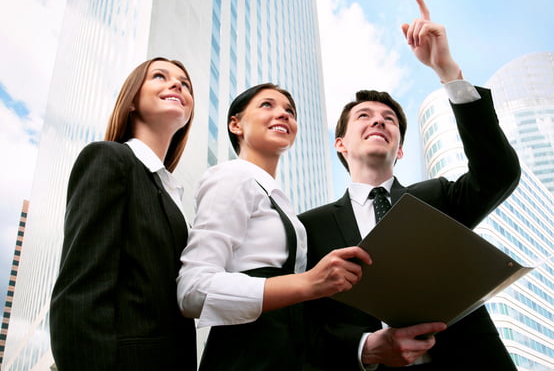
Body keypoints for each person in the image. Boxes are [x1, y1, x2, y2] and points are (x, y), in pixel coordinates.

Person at [299, 0, 521, 371]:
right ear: (341, 144)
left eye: (389, 119)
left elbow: (499, 174)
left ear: (400, 150)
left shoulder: (438, 197)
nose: (379, 121)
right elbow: (305, 326)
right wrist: (365, 348)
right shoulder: (309, 227)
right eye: (364, 116)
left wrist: (448, 71)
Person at [177, 83, 372, 371]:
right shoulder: (231, 177)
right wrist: (308, 283)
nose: (283, 114)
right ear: (236, 124)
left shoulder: (280, 201)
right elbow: (192, 291)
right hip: (244, 358)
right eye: (267, 105)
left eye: (290, 111)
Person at [50, 57, 198, 371]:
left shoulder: (173, 195)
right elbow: (80, 293)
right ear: (131, 100)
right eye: (160, 76)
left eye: (185, 84)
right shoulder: (109, 159)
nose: (177, 85)